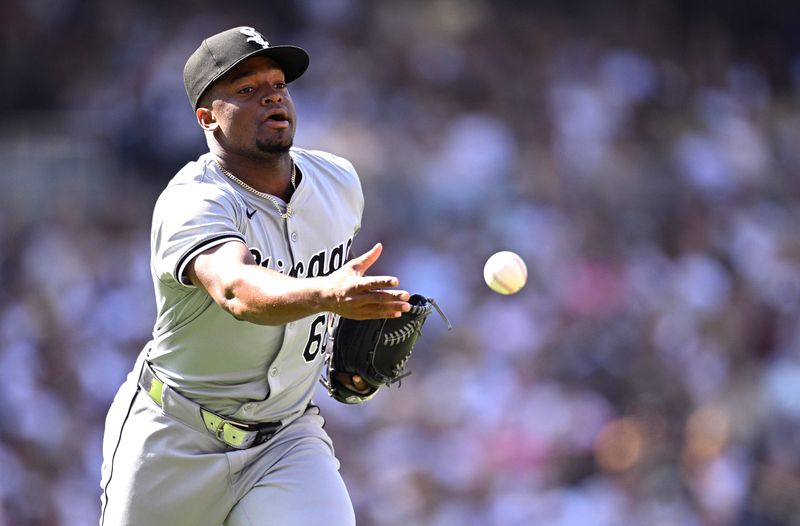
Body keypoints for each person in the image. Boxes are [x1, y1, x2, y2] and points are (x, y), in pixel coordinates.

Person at [99, 26, 411, 526]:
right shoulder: (194, 200)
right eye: (246, 90)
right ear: (207, 118)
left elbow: (310, 299)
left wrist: (335, 345)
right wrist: (328, 295)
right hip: (174, 441)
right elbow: (236, 289)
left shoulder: (339, 182)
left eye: (278, 85)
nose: (272, 97)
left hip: (286, 441)